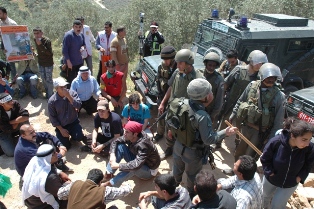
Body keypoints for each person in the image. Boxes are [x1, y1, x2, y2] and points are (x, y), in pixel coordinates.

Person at [171, 78, 237, 197]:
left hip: (178, 145)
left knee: (176, 169)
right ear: (204, 98)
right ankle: (191, 195)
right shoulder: (202, 116)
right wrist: (225, 132)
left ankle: (171, 189)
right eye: (209, 92)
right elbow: (208, 139)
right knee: (192, 176)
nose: (212, 94)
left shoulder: (181, 103)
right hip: (192, 153)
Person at [231, 63, 285, 161]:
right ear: (262, 76)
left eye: (274, 77)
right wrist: (233, 114)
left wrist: (271, 140)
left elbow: (278, 121)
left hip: (260, 132)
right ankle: (236, 170)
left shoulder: (279, 96)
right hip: (245, 126)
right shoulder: (252, 86)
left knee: (249, 156)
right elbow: (240, 100)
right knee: (239, 151)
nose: (272, 80)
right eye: (269, 77)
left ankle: (244, 175)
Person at [158, 49, 204, 160]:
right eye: (177, 62)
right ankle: (169, 149)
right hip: (173, 109)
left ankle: (182, 154)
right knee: (169, 132)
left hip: (186, 113)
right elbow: (170, 87)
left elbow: (205, 98)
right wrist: (163, 103)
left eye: (180, 63)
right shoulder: (177, 72)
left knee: (184, 135)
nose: (177, 65)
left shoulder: (198, 78)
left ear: (188, 63)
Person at [261, 117, 314, 209]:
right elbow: (265, 158)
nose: (307, 143)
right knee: (264, 197)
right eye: (304, 139)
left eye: (310, 139)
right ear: (293, 136)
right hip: (271, 179)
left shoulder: (309, 148)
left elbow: (308, 164)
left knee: (277, 205)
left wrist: (300, 177)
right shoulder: (276, 142)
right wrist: (269, 172)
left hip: (290, 183)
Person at [219, 50, 268, 132]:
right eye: (258, 63)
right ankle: (218, 141)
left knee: (240, 127)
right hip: (231, 102)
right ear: (251, 61)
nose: (259, 65)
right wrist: (220, 99)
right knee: (226, 120)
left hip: (245, 105)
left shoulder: (259, 77)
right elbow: (226, 84)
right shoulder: (238, 70)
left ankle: (237, 142)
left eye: (261, 63)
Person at [103, 121, 161, 187]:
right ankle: (109, 173)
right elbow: (116, 141)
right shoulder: (132, 135)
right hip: (139, 159)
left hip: (149, 170)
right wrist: (112, 154)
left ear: (135, 134)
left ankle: (111, 183)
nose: (124, 134)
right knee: (120, 146)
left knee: (132, 168)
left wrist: (118, 165)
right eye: (125, 131)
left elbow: (136, 165)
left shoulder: (144, 145)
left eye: (127, 132)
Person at [22, 144, 69, 209]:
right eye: (54, 153)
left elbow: (47, 167)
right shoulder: (50, 177)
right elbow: (62, 194)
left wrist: (60, 172)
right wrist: (70, 184)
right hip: (44, 206)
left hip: (31, 202)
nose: (57, 153)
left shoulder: (35, 161)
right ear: (49, 157)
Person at [58, 168, 132, 209]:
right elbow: (125, 191)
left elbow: (60, 195)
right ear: (100, 182)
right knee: (114, 208)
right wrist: (126, 185)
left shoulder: (74, 184)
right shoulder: (104, 192)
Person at [48, 77, 88, 150]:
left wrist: (69, 97)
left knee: (79, 137)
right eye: (61, 87)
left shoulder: (72, 93)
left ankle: (73, 137)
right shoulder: (52, 101)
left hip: (73, 122)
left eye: (65, 86)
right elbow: (52, 117)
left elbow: (78, 105)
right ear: (56, 89)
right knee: (65, 146)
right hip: (62, 125)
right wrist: (61, 129)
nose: (64, 89)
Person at [153, 46, 177, 143]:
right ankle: (159, 133)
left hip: (173, 98)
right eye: (164, 60)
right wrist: (159, 96)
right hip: (163, 95)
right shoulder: (161, 66)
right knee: (160, 116)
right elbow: (158, 80)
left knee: (170, 121)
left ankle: (169, 141)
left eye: (168, 60)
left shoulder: (178, 68)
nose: (166, 62)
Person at [0, 93, 29, 157]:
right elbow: (8, 128)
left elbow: (25, 116)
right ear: (2, 104)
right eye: (8, 102)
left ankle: (26, 136)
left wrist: (11, 122)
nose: (12, 102)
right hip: (3, 132)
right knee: (11, 153)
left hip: (13, 126)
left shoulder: (15, 103)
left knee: (25, 121)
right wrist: (18, 119)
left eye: (11, 100)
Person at [201, 52, 224, 125]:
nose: (211, 68)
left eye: (214, 66)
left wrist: (213, 115)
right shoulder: (198, 73)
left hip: (207, 111)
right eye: (210, 65)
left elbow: (219, 100)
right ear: (205, 64)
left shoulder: (219, 79)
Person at [33, 27, 54, 99]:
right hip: (41, 63)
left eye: (38, 33)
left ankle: (50, 95)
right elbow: (39, 52)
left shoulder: (47, 41)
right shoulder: (35, 40)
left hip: (48, 63)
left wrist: (40, 45)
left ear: (42, 33)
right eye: (35, 33)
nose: (36, 35)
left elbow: (49, 53)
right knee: (43, 79)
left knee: (49, 79)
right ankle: (48, 92)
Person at [62, 20, 85, 85]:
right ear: (73, 27)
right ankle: (70, 94)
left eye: (79, 27)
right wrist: (68, 62)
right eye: (76, 27)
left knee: (79, 79)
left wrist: (82, 47)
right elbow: (64, 50)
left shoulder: (81, 35)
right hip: (71, 63)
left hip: (79, 61)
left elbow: (83, 44)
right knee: (71, 80)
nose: (78, 29)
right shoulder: (68, 35)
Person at [0, 7, 17, 81]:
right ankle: (13, 83)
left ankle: (18, 81)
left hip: (14, 47)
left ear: (5, 14)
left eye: (0, 13)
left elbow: (18, 36)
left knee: (18, 65)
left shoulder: (12, 23)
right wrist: (3, 47)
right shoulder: (0, 23)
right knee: (10, 65)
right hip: (6, 47)